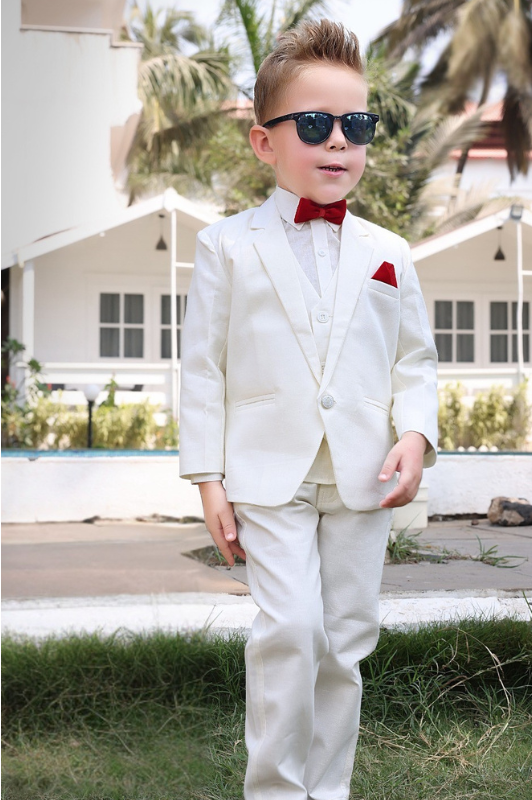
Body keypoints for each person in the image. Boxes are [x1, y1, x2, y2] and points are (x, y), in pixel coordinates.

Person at [179, 18, 438, 800]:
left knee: (344, 642)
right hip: (266, 472)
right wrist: (207, 478)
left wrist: (415, 434)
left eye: (355, 126)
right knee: (291, 630)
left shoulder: (390, 250)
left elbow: (413, 362)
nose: (337, 144)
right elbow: (202, 367)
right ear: (264, 143)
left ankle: (329, 792)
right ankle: (274, 792)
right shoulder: (227, 245)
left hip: (362, 474)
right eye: (315, 125)